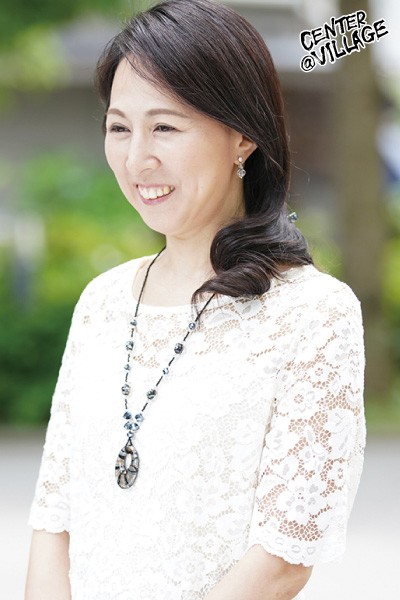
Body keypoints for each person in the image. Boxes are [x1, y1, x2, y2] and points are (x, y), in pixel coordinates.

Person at [25, 1, 366, 599]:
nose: (137, 159)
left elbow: (283, 557)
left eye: (165, 127)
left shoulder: (312, 313)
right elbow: (55, 516)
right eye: (119, 127)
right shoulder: (102, 301)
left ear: (243, 136)